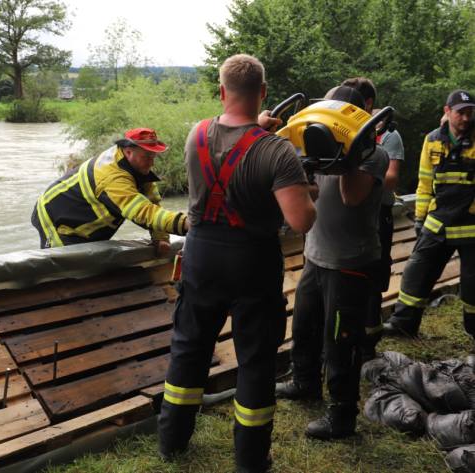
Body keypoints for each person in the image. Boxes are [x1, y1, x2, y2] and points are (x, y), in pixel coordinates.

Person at [157, 53, 316, 473]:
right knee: (256, 358)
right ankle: (250, 460)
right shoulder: (277, 152)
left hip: (201, 255)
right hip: (252, 262)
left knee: (189, 349)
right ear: (263, 92)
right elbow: (300, 220)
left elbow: (231, 142)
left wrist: (254, 130)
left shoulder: (197, 133)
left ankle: (171, 441)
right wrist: (305, 188)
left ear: (222, 90)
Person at [275, 85, 389, 440]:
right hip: (316, 255)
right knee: (305, 325)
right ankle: (305, 381)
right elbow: (308, 191)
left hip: (350, 261)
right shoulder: (318, 147)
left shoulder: (374, 153)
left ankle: (342, 414)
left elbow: (350, 196)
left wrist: (346, 151)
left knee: (341, 339)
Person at [383, 90, 475, 338]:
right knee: (416, 273)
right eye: (460, 113)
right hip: (438, 220)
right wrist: (421, 219)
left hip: (471, 224)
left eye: (470, 113)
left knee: (473, 284)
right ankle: (404, 324)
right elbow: (424, 184)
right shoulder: (433, 140)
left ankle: (473, 329)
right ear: (447, 111)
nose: (466, 118)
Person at [31, 127, 188, 252]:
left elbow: (152, 202)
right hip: (54, 218)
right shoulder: (112, 176)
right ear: (128, 152)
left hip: (87, 221)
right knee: (65, 270)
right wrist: (187, 224)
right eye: (147, 157)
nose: (151, 163)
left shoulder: (136, 166)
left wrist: (160, 237)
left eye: (153, 157)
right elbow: (141, 211)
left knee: (89, 268)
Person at [342, 77, 405, 358]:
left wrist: (363, 169)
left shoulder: (388, 135)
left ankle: (369, 344)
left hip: (378, 214)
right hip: (349, 216)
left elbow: (390, 178)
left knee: (372, 278)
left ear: (366, 104)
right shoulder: (343, 131)